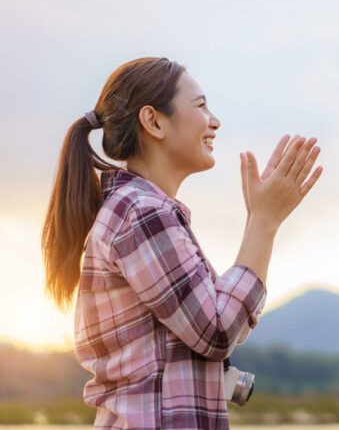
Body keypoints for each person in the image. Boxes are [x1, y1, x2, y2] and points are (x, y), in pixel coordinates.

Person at [41, 57, 323, 429]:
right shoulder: (142, 214)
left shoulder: (141, 211)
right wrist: (264, 223)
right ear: (153, 121)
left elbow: (225, 323)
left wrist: (260, 218)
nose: (214, 121)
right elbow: (217, 332)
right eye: (201, 106)